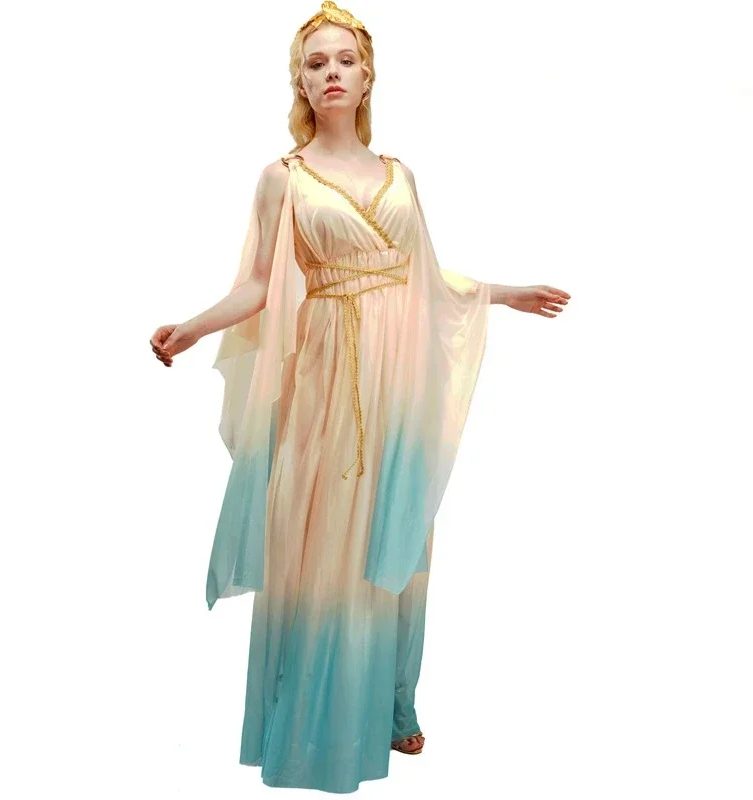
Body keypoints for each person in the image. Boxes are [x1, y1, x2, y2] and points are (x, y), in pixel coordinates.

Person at [149, 2, 570, 793]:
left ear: (368, 77)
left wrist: (505, 294)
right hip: (327, 383)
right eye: (316, 63)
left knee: (394, 532)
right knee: (324, 543)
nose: (332, 72)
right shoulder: (284, 178)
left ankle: (388, 701)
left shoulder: (400, 175)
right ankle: (314, 723)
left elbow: (423, 275)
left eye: (346, 60)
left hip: (397, 384)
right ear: (301, 82)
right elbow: (257, 284)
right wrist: (194, 327)